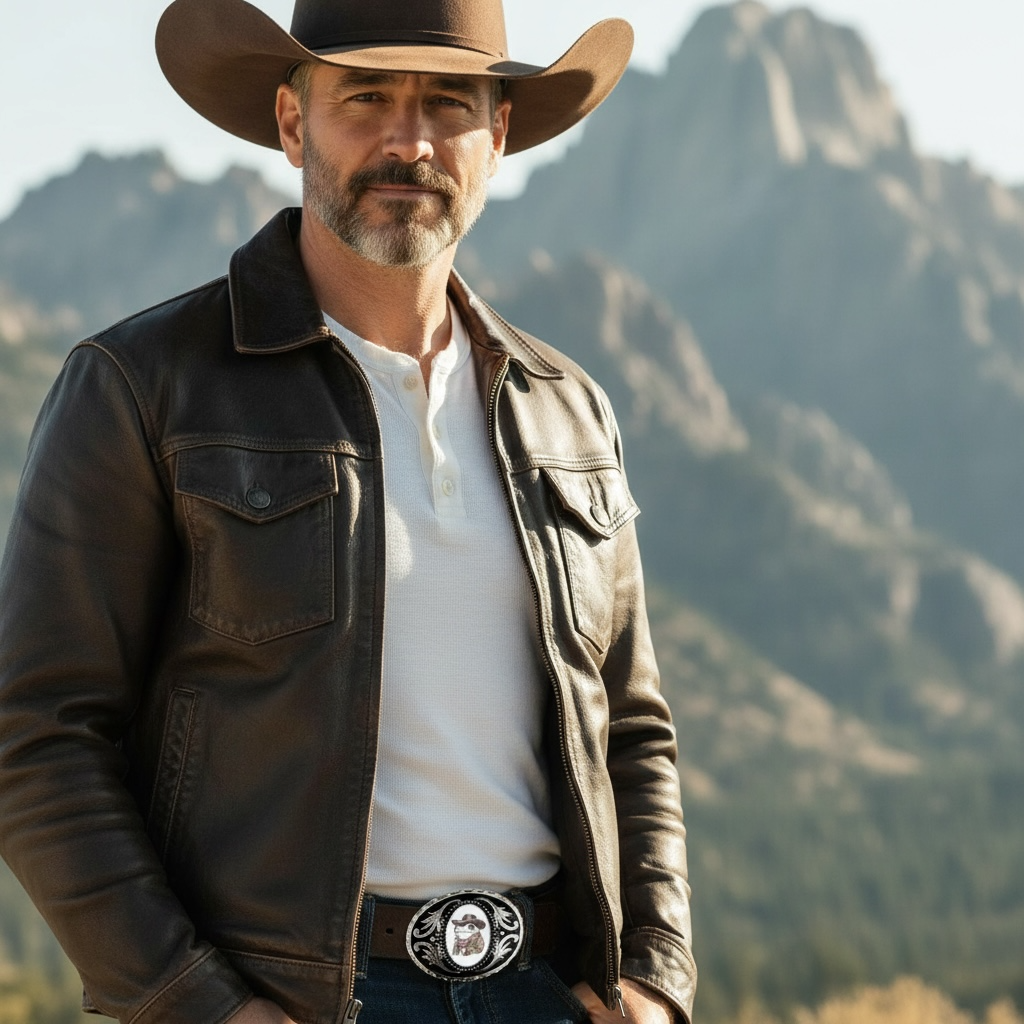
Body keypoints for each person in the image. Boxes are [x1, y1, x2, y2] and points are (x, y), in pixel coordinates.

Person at [0, 0, 696, 1022]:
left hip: (549, 994)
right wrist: (201, 1003)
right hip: (299, 1000)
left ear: (496, 132)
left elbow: (631, 729)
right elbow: (36, 733)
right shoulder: (144, 386)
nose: (407, 140)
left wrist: (654, 978)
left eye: (447, 102)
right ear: (292, 123)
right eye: (364, 96)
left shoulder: (568, 409)